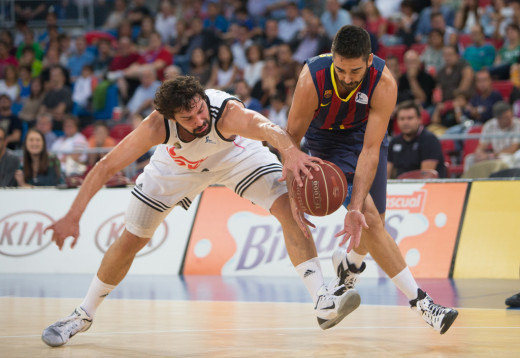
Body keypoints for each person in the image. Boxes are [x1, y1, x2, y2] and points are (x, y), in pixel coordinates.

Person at [40, 76, 360, 347]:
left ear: (203, 99)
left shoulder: (224, 113)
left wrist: (289, 152)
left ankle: (322, 299)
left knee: (287, 210)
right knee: (131, 241)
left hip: (234, 156)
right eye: (188, 119)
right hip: (175, 168)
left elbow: (265, 126)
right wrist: (72, 215)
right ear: (170, 118)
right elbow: (106, 165)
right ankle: (83, 314)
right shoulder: (156, 126)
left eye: (199, 109)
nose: (199, 120)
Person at [285, 25, 458, 334]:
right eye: (341, 69)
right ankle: (422, 303)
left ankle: (348, 265)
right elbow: (291, 141)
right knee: (373, 222)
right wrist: (293, 193)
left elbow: (370, 149)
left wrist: (353, 207)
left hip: (365, 141)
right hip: (324, 146)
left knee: (371, 220)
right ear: (332, 58)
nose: (348, 77)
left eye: (355, 71)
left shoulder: (384, 81)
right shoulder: (311, 78)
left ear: (369, 60)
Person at [388, 101, 446, 178]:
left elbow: (425, 176)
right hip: (399, 186)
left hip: (424, 188)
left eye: (410, 118)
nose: (405, 122)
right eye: (402, 119)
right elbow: (386, 174)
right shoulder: (394, 141)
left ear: (420, 119)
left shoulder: (430, 140)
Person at [464, 101, 520, 172]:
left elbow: (513, 148)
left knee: (506, 159)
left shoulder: (518, 124)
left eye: (511, 116)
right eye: (506, 118)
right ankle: (468, 181)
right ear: (498, 118)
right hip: (495, 155)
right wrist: (479, 154)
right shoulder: (490, 125)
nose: (510, 120)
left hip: (511, 155)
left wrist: (491, 155)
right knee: (470, 159)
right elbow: (481, 145)